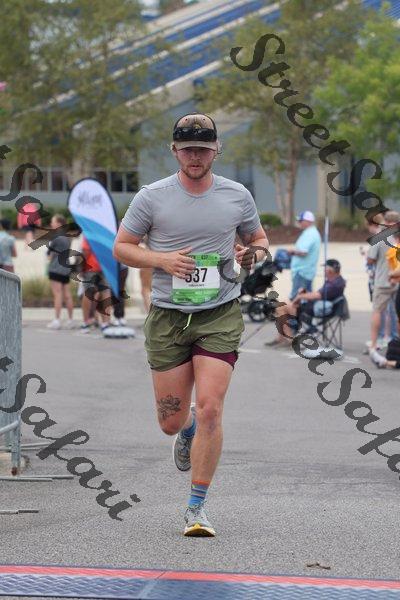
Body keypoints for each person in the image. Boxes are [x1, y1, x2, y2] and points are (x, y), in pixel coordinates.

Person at [113, 112, 268, 537]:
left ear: (217, 149)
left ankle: (196, 508)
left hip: (219, 312)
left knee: (213, 406)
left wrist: (252, 254)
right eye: (187, 150)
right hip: (168, 316)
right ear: (174, 151)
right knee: (170, 420)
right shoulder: (152, 197)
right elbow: (122, 247)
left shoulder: (237, 195)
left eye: (202, 149)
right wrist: (161, 259)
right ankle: (188, 427)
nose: (195, 157)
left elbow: (259, 240)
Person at [266, 259, 346, 346]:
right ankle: (283, 338)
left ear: (330, 271)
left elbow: (318, 295)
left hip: (312, 312)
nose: (324, 271)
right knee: (283, 305)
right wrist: (305, 293)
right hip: (315, 307)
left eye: (325, 269)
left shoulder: (333, 284)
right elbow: (318, 294)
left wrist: (300, 296)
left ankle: (288, 340)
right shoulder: (336, 281)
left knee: (281, 307)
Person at [367, 210, 400, 356]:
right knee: (396, 312)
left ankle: (375, 343)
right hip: (398, 280)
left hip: (383, 280)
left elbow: (370, 259)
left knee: (377, 311)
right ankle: (394, 339)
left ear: (385, 221)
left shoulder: (381, 236)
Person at [46, 214, 74, 330]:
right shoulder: (68, 237)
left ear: (59, 223)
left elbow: (49, 254)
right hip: (66, 268)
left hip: (55, 268)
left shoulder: (55, 237)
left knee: (57, 294)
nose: (51, 224)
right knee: (67, 295)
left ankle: (57, 320)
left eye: (53, 221)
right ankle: (70, 320)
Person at [287, 210, 321, 299]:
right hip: (306, 271)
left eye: (301, 220)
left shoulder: (310, 234)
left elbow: (303, 252)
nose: (299, 222)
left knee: (295, 299)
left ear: (308, 221)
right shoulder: (311, 232)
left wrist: (291, 251)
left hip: (302, 272)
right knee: (308, 298)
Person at [80, 236, 111, 332]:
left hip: (91, 266)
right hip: (105, 266)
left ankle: (86, 322)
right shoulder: (105, 231)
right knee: (105, 292)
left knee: (88, 293)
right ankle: (106, 323)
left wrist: (82, 267)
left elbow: (86, 250)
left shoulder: (89, 231)